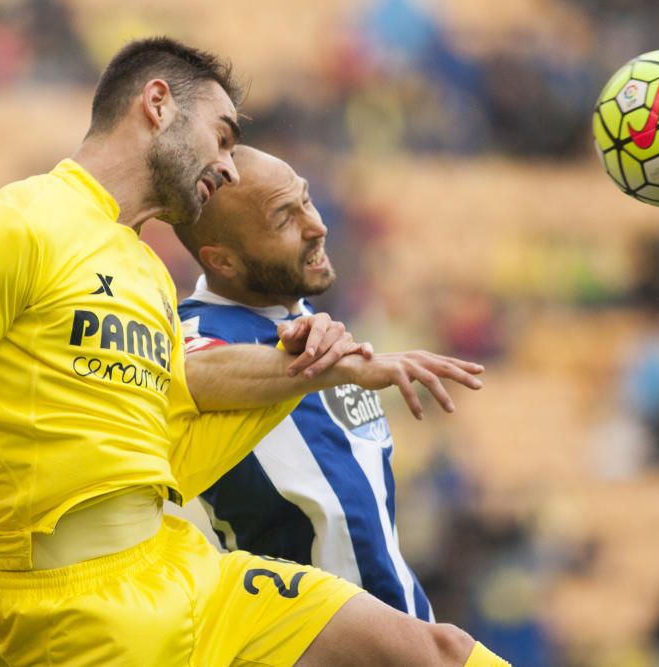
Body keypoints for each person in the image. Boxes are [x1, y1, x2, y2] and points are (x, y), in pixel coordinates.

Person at [0, 37, 508, 666]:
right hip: (69, 610)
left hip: (184, 568)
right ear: (158, 104)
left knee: (437, 651)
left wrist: (307, 371)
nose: (229, 167)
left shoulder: (147, 272)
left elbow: (171, 460)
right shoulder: (4, 230)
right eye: (224, 135)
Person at [176, 145, 476, 620]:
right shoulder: (199, 333)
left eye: (307, 201)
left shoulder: (308, 325)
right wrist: (335, 369)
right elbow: (188, 374)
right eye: (283, 219)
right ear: (223, 262)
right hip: (304, 637)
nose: (317, 226)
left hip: (395, 628)